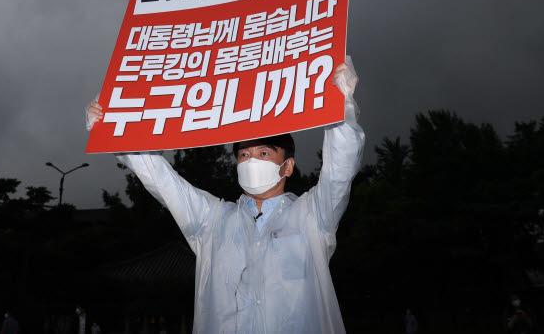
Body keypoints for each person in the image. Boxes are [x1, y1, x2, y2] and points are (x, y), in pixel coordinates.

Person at [85, 58, 366, 333]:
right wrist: (114, 126)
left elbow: (338, 171)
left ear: (288, 166)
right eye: (244, 154)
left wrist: (340, 105)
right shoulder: (212, 221)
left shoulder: (312, 215)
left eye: (264, 153)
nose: (251, 161)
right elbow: (163, 180)